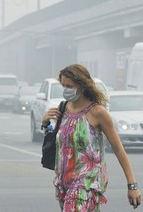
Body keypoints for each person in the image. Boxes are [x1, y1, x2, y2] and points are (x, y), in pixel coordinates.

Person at [42, 64, 141, 211]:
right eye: (63, 86)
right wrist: (45, 124)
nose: (65, 90)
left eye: (69, 86)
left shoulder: (97, 112)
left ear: (82, 86)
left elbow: (118, 149)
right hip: (64, 183)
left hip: (87, 184)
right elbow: (60, 143)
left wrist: (132, 185)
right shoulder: (63, 108)